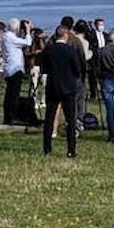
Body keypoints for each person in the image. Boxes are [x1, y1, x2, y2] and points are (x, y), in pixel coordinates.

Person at [40, 26, 83, 158]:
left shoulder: (49, 50)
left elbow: (43, 68)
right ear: (66, 36)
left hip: (53, 87)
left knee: (49, 118)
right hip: (68, 87)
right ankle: (71, 149)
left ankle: (47, 148)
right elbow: (77, 69)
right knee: (70, 119)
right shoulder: (71, 51)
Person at [1, 19, 33, 124]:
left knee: (9, 94)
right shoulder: (11, 38)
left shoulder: (6, 36)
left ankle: (8, 116)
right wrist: (28, 31)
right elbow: (28, 42)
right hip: (15, 68)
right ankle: (12, 116)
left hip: (9, 68)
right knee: (14, 95)